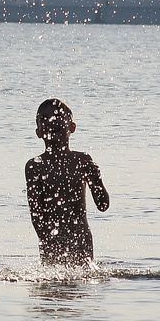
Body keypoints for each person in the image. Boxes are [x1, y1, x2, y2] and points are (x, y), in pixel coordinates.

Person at [24, 98, 111, 265]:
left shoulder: (82, 161)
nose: (51, 121)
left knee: (80, 283)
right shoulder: (35, 166)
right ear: (38, 132)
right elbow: (35, 212)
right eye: (44, 119)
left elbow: (103, 205)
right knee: (51, 285)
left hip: (81, 241)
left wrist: (97, 180)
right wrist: (47, 239)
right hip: (51, 242)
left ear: (72, 127)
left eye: (58, 117)